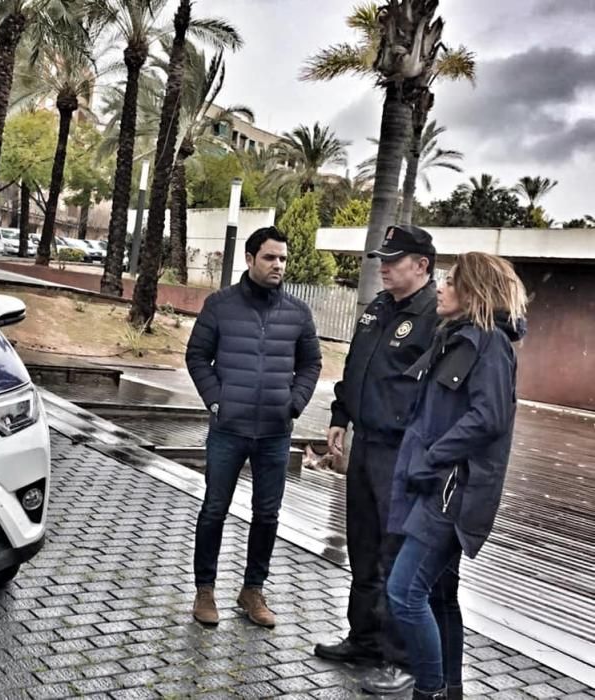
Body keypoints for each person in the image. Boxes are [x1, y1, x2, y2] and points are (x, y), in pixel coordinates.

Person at [386, 252, 527, 700]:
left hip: (451, 492)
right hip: (434, 486)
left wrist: (432, 458)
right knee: (439, 595)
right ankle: (450, 690)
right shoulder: (459, 338)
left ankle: (427, 691)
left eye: (450, 281)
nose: (441, 288)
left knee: (405, 592)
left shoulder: (489, 343)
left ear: (473, 291)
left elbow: (489, 417)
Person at [314, 224, 439, 694]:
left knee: (393, 554)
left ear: (421, 265)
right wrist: (341, 414)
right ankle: (363, 639)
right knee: (363, 548)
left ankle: (398, 658)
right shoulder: (379, 308)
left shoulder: (433, 316)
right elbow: (356, 366)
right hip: (365, 444)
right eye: (382, 259)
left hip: (401, 452)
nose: (383, 268)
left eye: (394, 260)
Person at [185, 226, 322, 628]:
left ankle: (252, 590)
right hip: (229, 429)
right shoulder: (220, 305)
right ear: (249, 258)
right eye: (269, 257)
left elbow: (311, 363)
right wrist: (217, 399)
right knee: (214, 509)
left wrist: (294, 403)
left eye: (282, 258)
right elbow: (197, 356)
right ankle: (205, 589)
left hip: (275, 434)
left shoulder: (298, 312)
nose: (277, 264)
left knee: (267, 514)